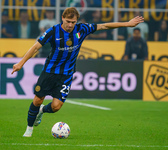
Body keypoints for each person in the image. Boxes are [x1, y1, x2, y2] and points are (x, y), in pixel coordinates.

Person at [11, 7, 144, 137]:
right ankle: (29, 129)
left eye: (73, 22)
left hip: (67, 74)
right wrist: (20, 63)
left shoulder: (82, 29)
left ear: (77, 21)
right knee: (38, 99)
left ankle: (42, 111)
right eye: (68, 21)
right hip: (49, 72)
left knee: (56, 106)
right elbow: (35, 47)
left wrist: (127, 24)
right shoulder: (53, 31)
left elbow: (104, 26)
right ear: (62, 18)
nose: (70, 25)